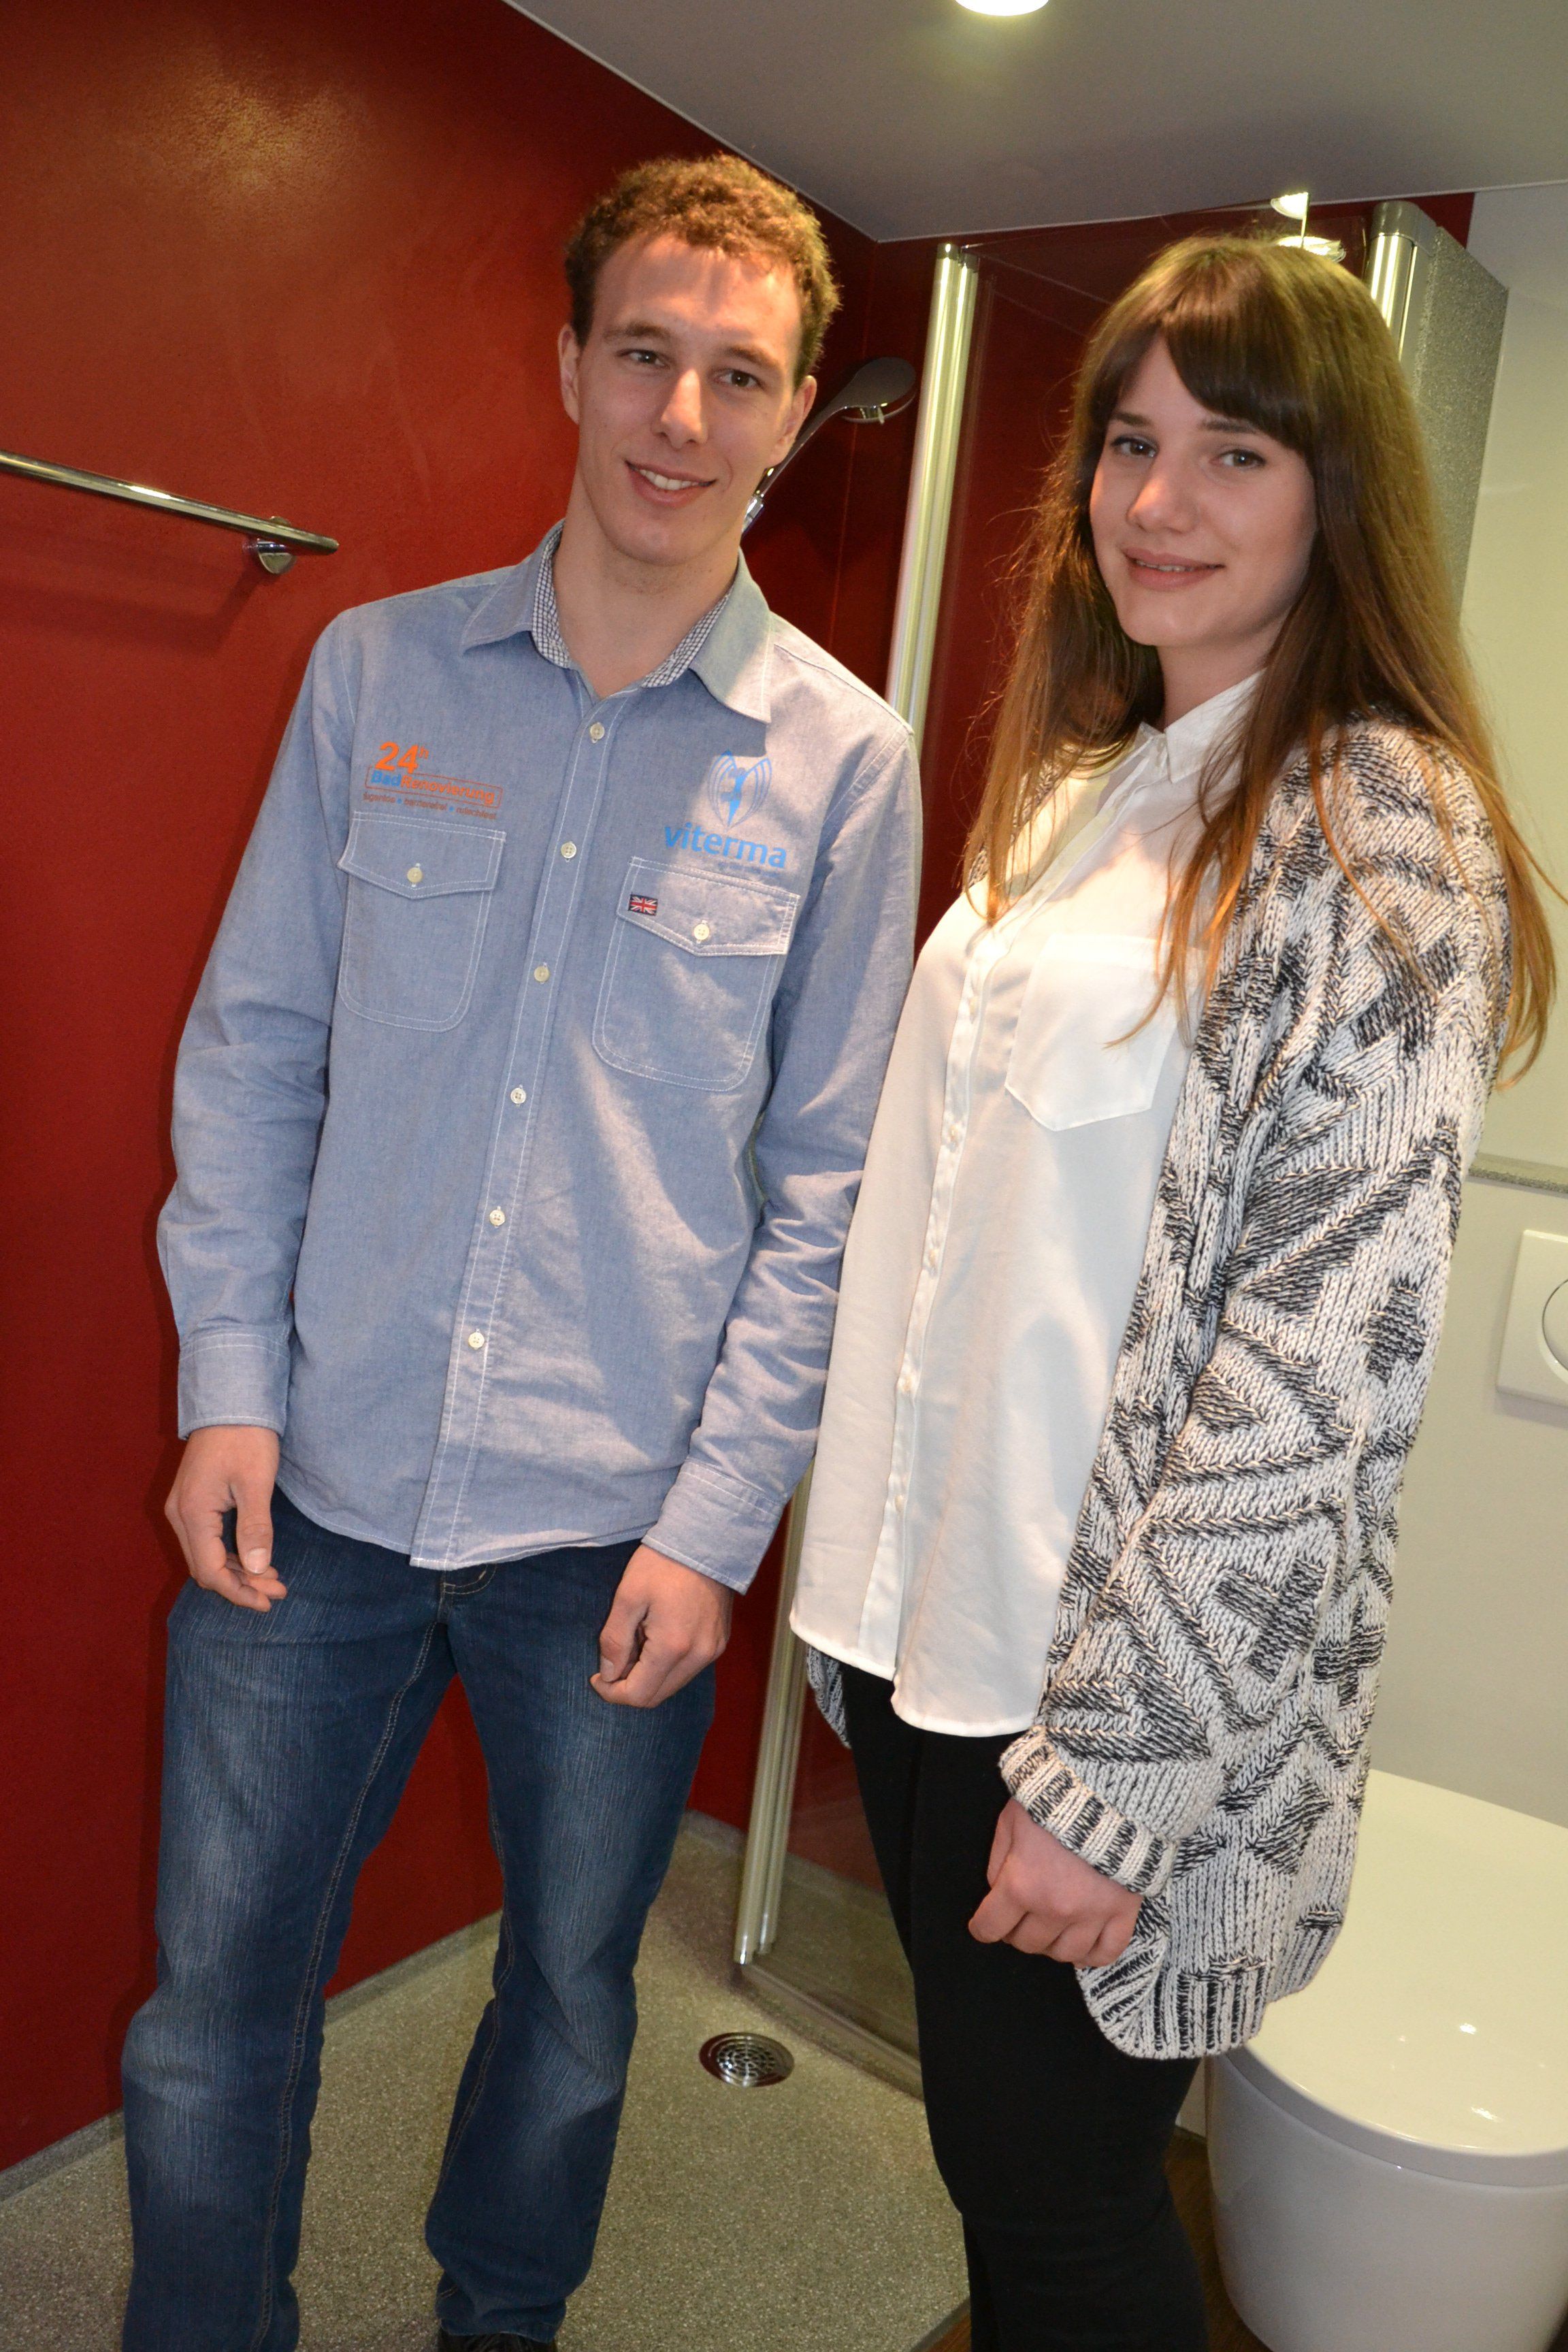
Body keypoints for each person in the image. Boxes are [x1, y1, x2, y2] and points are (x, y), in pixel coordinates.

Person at [122, 153, 919, 2352]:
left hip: (615, 1532)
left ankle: (502, 2325)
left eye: (737, 377)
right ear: (570, 364)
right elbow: (256, 1048)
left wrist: (715, 1525)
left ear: (791, 416)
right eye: (644, 354)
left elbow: (829, 1191)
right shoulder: (375, 673)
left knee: (569, 2006)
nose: (680, 415)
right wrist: (228, 1389)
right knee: (214, 2007)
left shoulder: (847, 765)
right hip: (318, 1484)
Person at [793, 231, 1554, 2352]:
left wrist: (1116, 1775)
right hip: (939, 1632)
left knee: (1064, 2226)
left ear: (1339, 492)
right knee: (1009, 2190)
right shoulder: (1094, 782)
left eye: (1234, 452)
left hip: (1099, 1701)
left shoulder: (1379, 823)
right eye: (1130, 443)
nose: (1157, 499)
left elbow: (1319, 1376)